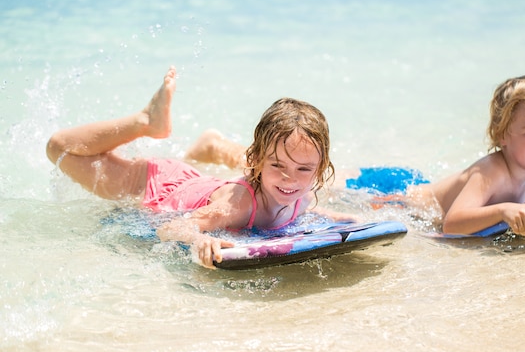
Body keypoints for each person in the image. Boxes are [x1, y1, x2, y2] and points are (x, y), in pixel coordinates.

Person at [46, 66, 349, 268]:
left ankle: (211, 145)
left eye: (304, 170)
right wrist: (201, 239)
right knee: (60, 148)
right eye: (278, 165)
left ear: (320, 170)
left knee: (279, 174)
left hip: (199, 183)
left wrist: (344, 215)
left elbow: (306, 208)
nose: (290, 179)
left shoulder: (302, 193)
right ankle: (144, 121)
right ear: (255, 160)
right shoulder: (237, 205)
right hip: (156, 185)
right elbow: (172, 227)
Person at [373, 73, 525, 236]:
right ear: (501, 134)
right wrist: (503, 211)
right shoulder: (492, 170)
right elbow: (452, 224)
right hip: (400, 198)